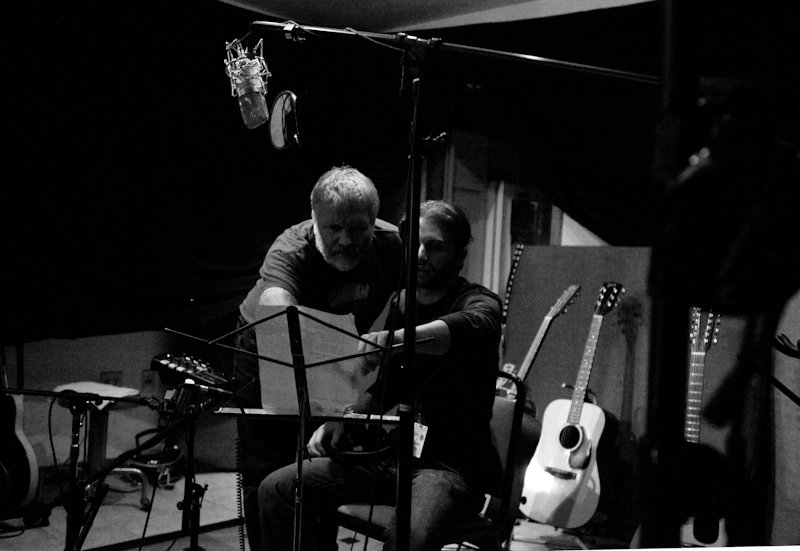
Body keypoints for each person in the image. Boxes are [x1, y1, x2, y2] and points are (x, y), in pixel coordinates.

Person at [258, 200, 503, 551]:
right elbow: (388, 384)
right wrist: (346, 418)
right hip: (393, 460)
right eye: (414, 243)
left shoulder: (480, 303)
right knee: (277, 490)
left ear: (460, 255)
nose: (419, 254)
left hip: (449, 469)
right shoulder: (403, 305)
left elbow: (463, 328)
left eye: (434, 247)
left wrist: (396, 340)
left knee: (408, 538)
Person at [233, 166, 403, 551]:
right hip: (266, 341)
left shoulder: (395, 245)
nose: (346, 239)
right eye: (333, 228)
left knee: (326, 456)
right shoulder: (289, 249)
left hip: (336, 343)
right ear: (314, 220)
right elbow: (278, 316)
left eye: (359, 228)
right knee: (270, 467)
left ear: (374, 223)